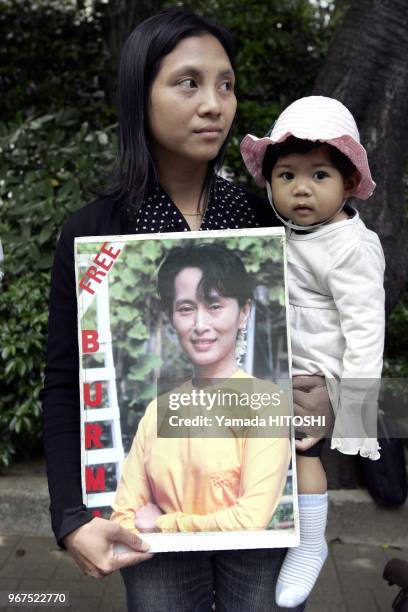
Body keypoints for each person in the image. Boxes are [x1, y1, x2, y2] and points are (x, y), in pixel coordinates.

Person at [42, 7, 330, 610]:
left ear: (244, 313)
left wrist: (331, 402)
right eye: (188, 82)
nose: (214, 104)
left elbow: (333, 329)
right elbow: (64, 383)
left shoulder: (262, 216)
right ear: (139, 95)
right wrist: (71, 518)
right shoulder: (96, 230)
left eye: (225, 84)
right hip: (152, 544)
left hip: (262, 528)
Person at [241, 95, 385, 607]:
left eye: (319, 175)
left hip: (315, 379)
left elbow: (367, 330)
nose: (301, 188)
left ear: (348, 184)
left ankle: (310, 544)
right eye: (287, 176)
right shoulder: (285, 233)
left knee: (301, 452)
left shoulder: (350, 246)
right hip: (272, 366)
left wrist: (354, 411)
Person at [111, 243, 291, 536]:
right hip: (162, 565)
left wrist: (162, 523)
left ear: (243, 312)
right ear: (171, 318)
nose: (199, 324)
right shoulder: (158, 411)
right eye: (185, 309)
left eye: (214, 306)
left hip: (239, 567)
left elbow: (250, 520)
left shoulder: (266, 405)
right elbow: (123, 517)